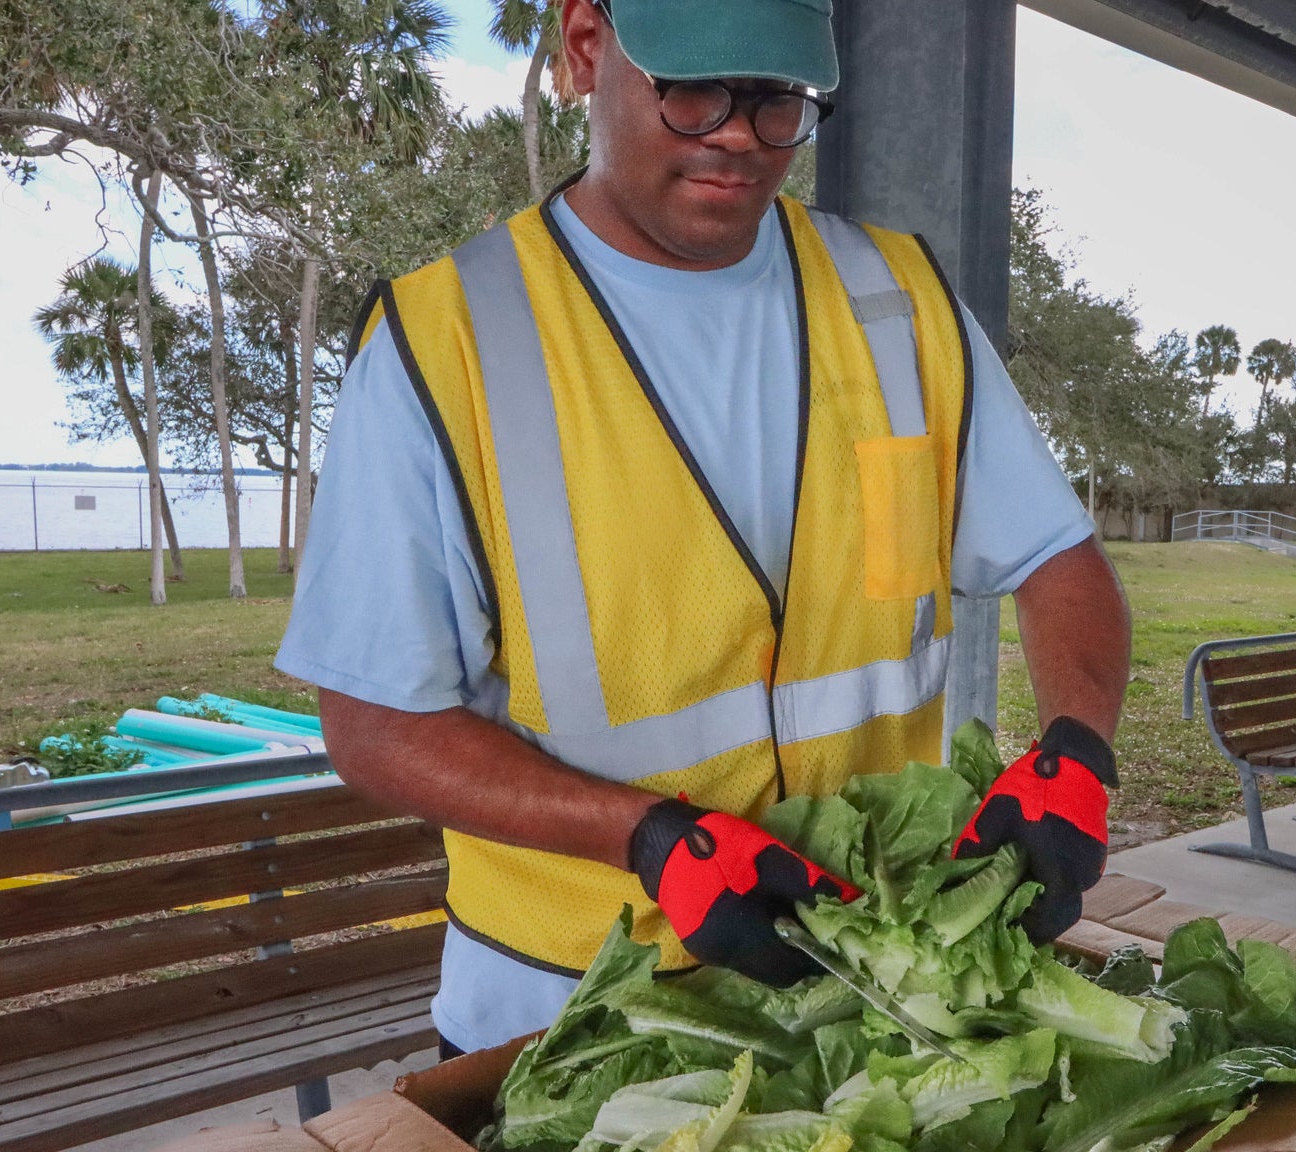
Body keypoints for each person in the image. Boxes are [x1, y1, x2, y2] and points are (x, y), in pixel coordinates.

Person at [275, 0, 1132, 1059]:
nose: (736, 133)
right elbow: (376, 726)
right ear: (586, 48)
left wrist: (1074, 748)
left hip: (863, 992)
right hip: (569, 1021)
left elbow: (1056, 556)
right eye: (692, 91)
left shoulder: (895, 301)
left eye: (777, 100)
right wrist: (642, 839)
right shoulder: (443, 343)